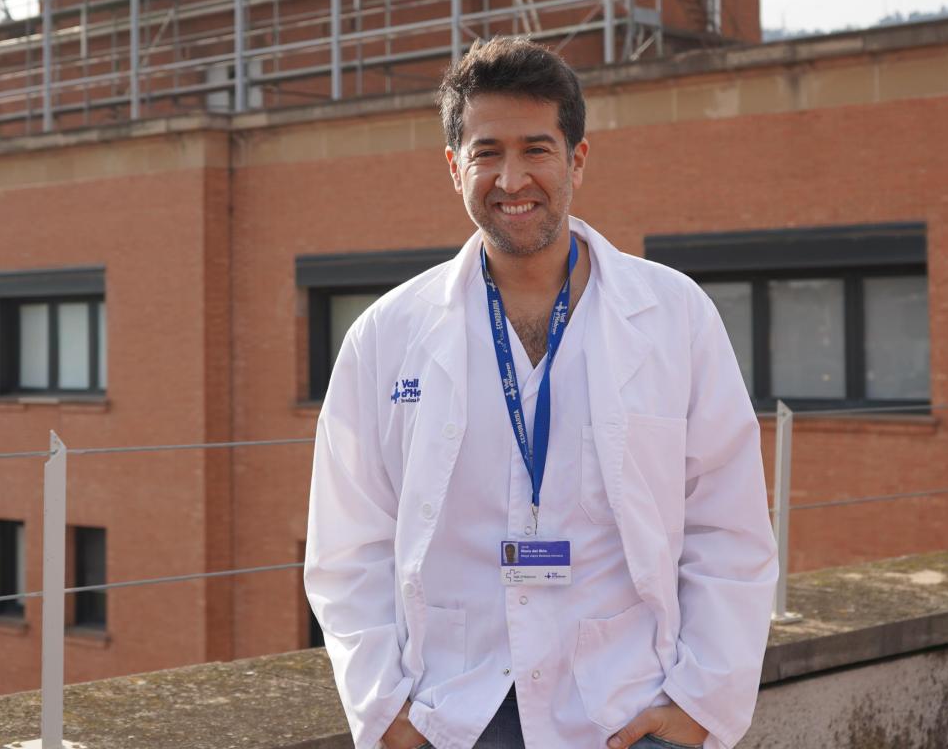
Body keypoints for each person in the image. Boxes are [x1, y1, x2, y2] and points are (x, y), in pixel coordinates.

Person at [304, 37, 777, 749]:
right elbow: (349, 547)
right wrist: (387, 720)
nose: (512, 178)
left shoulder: (675, 317)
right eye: (487, 152)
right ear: (453, 167)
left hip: (625, 711)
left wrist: (699, 707)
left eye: (537, 149)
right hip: (453, 713)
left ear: (577, 161)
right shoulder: (385, 336)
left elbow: (728, 526)